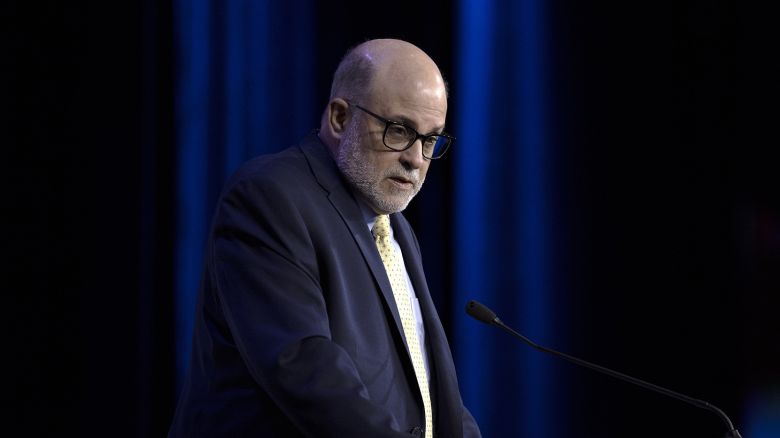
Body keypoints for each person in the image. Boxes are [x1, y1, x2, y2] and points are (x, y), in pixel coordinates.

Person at [169, 39, 481, 438]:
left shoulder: (393, 226)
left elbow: (422, 380)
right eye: (399, 130)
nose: (416, 158)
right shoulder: (270, 197)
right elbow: (305, 371)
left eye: (430, 139)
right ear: (339, 118)